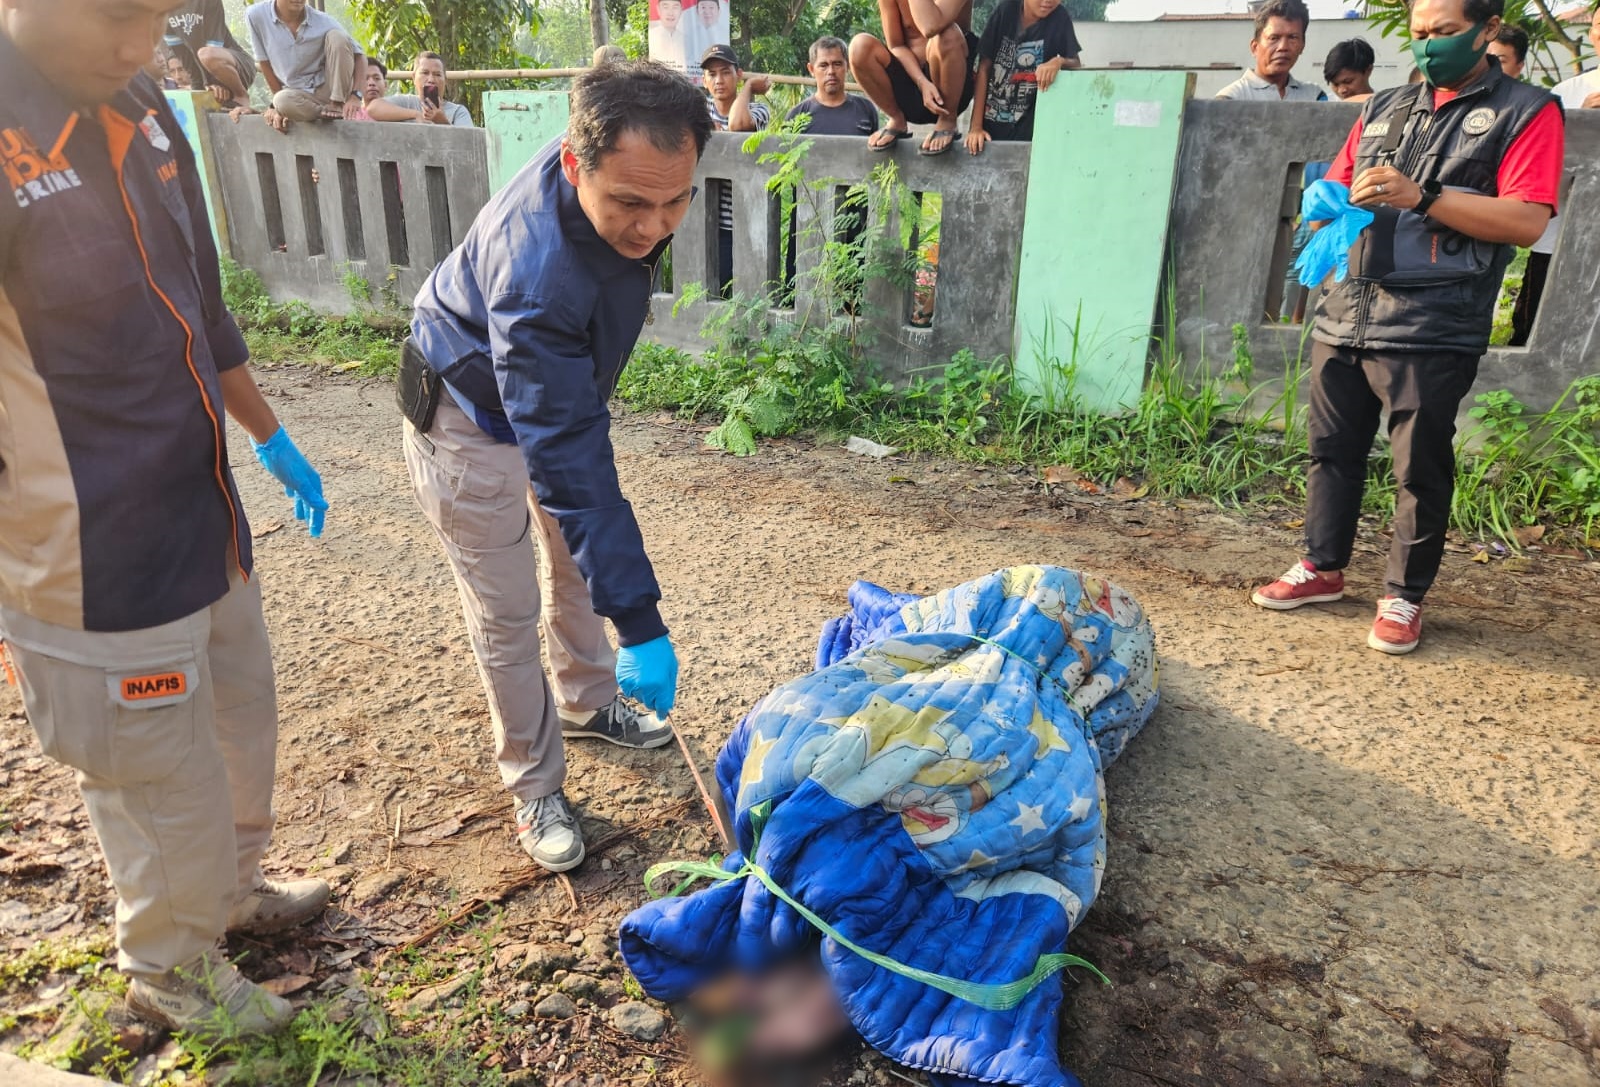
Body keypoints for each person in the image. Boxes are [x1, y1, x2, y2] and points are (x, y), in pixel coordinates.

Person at [0, 0, 333, 1038]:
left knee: (239, 713)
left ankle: (231, 890)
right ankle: (170, 964)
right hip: (91, 550)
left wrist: (270, 438)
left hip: (202, 506)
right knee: (154, 765)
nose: (143, 46)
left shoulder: (143, 106)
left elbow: (201, 299)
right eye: (113, 15)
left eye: (155, 14)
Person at [403, 62, 709, 873]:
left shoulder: (615, 149)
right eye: (633, 205)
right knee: (505, 612)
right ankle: (534, 783)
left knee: (575, 562)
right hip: (467, 412)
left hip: (549, 395)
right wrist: (641, 621)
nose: (655, 225)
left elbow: (570, 438)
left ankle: (588, 701)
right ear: (576, 166)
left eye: (674, 200)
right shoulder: (538, 278)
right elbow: (565, 446)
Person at [1253, 0, 1564, 655]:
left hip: (1433, 321)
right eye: (1419, 34)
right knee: (1330, 451)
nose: (1427, 47)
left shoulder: (1524, 111)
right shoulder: (1382, 106)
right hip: (1347, 311)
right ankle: (1321, 566)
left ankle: (1402, 594)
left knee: (1419, 467)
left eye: (1444, 33)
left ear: (1485, 30)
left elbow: (1527, 221)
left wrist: (1420, 196)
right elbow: (1339, 184)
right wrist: (1324, 204)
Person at [1510, 8, 1599, 346]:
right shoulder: (1566, 94)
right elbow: (1536, 165)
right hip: (1560, 238)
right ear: (1591, 34)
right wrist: (1581, 126)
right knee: (1536, 330)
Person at [850, 0, 979, 155]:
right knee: (859, 46)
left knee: (946, 33)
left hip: (953, 90)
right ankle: (897, 119)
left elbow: (930, 26)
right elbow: (896, 46)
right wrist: (921, 81)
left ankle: (947, 121)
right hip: (912, 84)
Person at [964, 0, 1081, 155]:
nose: (1048, 1)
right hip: (991, 128)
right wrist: (976, 127)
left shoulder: (1060, 18)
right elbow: (984, 67)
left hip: (1029, 130)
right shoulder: (1005, 11)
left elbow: (1076, 63)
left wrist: (1059, 61)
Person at [703, 44, 769, 298]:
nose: (719, 80)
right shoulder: (698, 110)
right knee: (710, 292)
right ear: (705, 80)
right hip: (707, 219)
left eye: (725, 72)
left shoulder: (757, 110)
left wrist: (750, 88)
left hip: (744, 218)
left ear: (738, 75)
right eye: (712, 74)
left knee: (746, 294)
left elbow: (738, 124)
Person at [244, 0, 367, 133]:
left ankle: (336, 106)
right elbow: (264, 62)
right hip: (299, 97)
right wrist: (276, 107)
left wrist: (356, 96)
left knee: (338, 37)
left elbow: (360, 56)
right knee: (280, 100)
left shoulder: (323, 21)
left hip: (330, 89)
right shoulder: (255, 15)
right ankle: (323, 113)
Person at [1214, 0, 1326, 101]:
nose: (1283, 47)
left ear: (1302, 45)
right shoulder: (1230, 99)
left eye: (1292, 37)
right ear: (1255, 47)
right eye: (1274, 38)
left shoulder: (1315, 96)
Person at [163, 0, 256, 106]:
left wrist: (211, 83)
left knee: (206, 54)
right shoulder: (163, 10)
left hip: (236, 66)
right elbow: (184, 56)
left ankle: (241, 95)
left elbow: (215, 45)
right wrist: (199, 88)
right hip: (207, 73)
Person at [787, 36, 879, 136]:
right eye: (823, 65)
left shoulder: (866, 109)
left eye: (837, 64)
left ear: (847, 66)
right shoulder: (797, 116)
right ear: (811, 69)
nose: (831, 71)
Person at [367, 51, 475, 127]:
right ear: (414, 78)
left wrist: (442, 122)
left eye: (437, 74)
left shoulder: (458, 112)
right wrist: (415, 115)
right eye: (425, 73)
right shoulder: (406, 102)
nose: (431, 79)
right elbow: (372, 109)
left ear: (445, 80)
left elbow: (468, 144)